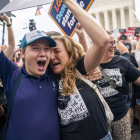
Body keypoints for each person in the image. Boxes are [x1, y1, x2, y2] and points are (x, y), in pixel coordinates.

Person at [50, 0, 111, 140]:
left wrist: (67, 2)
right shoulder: (47, 77)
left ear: (69, 53)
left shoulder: (80, 68)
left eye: (56, 51)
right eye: (49, 52)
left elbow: (102, 40)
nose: (52, 57)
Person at [0, 30, 60, 140]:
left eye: (46, 49)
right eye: (35, 48)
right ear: (22, 53)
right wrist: (8, 22)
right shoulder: (12, 74)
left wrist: (92, 71)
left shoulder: (55, 73)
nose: (42, 53)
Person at [95, 31, 140, 140]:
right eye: (109, 43)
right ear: (99, 44)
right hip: (100, 120)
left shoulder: (122, 62)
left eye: (114, 42)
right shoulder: (90, 64)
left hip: (121, 117)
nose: (114, 46)